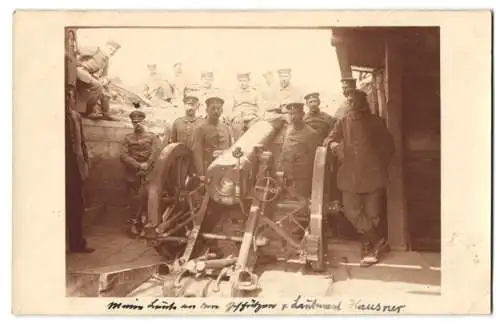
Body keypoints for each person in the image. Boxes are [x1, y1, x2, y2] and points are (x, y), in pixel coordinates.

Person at [323, 89, 394, 267]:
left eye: (353, 102)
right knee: (351, 211)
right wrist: (334, 145)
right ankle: (378, 241)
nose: (349, 105)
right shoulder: (342, 122)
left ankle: (368, 247)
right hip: (350, 176)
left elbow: (388, 146)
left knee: (373, 214)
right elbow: (328, 139)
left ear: (362, 104)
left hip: (372, 175)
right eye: (348, 102)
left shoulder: (375, 122)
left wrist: (378, 163)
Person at [65, 85, 94, 253]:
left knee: (77, 207)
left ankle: (78, 244)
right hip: (60, 166)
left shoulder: (75, 117)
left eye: (70, 97)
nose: (68, 100)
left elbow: (82, 142)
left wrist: (85, 163)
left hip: (75, 167)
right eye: (65, 97)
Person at [120, 110, 160, 227]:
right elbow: (123, 155)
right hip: (133, 173)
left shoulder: (152, 137)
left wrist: (148, 163)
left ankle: (148, 222)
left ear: (144, 121)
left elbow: (156, 152)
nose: (137, 124)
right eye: (134, 122)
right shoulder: (128, 138)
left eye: (139, 122)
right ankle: (134, 223)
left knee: (150, 196)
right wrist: (137, 165)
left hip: (149, 172)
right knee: (134, 198)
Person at [277, 102, 320, 200]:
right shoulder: (288, 129)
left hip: (300, 178)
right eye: (290, 114)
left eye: (295, 113)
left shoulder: (311, 134)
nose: (292, 117)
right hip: (285, 175)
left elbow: (314, 160)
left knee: (300, 205)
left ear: (302, 114)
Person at [76, 40, 121, 121]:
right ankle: (88, 112)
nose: (112, 51)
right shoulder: (96, 50)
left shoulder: (106, 60)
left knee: (105, 89)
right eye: (111, 49)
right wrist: (79, 63)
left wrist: (105, 80)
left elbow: (104, 75)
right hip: (81, 70)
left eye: (114, 51)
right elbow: (78, 50)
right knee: (97, 85)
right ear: (106, 46)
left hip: (89, 75)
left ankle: (106, 114)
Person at [191, 95, 232, 178]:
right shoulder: (200, 129)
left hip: (225, 170)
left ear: (222, 111)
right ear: (207, 110)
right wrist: (201, 174)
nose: (216, 111)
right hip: (208, 170)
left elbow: (230, 149)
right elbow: (197, 153)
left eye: (218, 108)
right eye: (212, 108)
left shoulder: (226, 128)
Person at [228, 72, 262, 140]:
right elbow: (229, 109)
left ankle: (252, 149)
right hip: (238, 117)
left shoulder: (255, 92)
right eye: (240, 81)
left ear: (249, 80)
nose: (242, 83)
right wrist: (235, 116)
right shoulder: (234, 93)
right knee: (236, 127)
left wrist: (256, 116)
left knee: (254, 129)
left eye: (244, 80)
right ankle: (238, 149)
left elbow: (261, 108)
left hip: (252, 117)